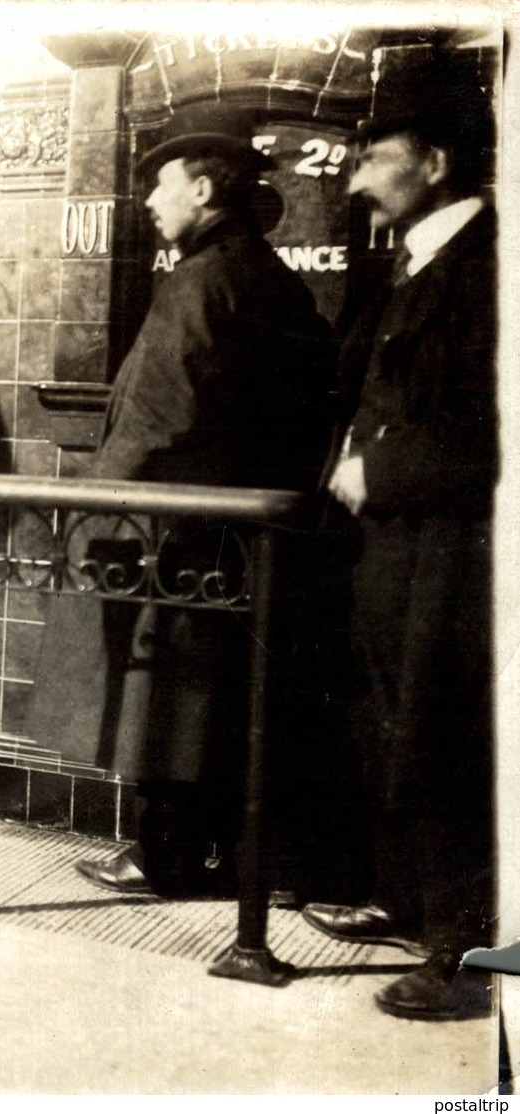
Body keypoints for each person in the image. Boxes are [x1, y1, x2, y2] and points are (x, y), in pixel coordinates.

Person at [29, 102, 337, 896]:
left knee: (165, 697)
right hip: (241, 532)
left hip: (178, 534)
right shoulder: (265, 277)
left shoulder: (198, 283)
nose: (150, 203)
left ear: (202, 189)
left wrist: (95, 514)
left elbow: (158, 418)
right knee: (217, 700)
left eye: (161, 188)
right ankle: (222, 858)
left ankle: (163, 858)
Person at [299, 56, 497, 1022]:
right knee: (395, 723)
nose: (354, 179)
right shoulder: (414, 256)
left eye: (373, 158)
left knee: (447, 734)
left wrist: (376, 470)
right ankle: (414, 904)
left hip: (455, 548)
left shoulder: (489, 267)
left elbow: (490, 430)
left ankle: (465, 957)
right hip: (393, 546)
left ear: (433, 160)